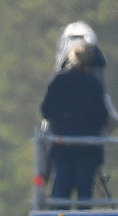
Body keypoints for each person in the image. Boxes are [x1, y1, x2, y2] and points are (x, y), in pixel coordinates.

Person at [41, 42, 110, 204]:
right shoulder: (94, 85)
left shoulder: (57, 81)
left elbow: (45, 111)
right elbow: (103, 116)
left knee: (61, 191)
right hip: (87, 148)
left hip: (62, 146)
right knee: (85, 194)